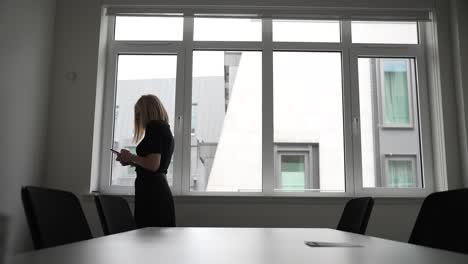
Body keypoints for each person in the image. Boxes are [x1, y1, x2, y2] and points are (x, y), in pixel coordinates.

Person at [116, 94, 175, 228]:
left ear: (147, 112)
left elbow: (153, 165)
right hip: (158, 190)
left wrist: (131, 157)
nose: (137, 118)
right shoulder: (164, 128)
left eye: (139, 114)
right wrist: (131, 162)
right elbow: (154, 164)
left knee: (147, 239)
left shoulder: (154, 128)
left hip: (152, 194)